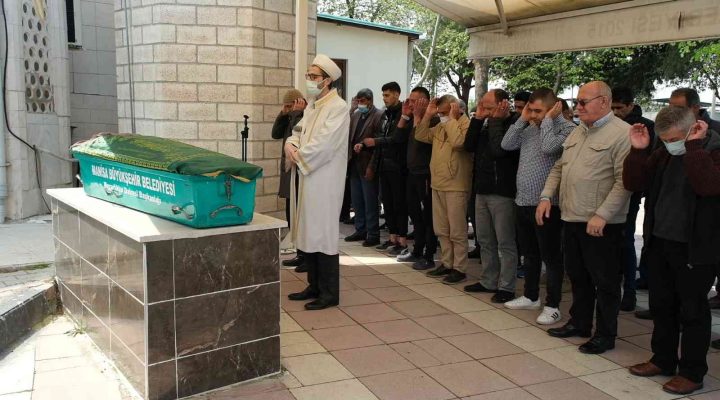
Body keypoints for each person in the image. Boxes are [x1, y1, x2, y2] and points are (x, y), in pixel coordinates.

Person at [624, 106, 720, 395]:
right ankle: (662, 359)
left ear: (694, 129)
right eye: (665, 140)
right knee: (662, 305)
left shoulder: (713, 150)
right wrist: (638, 151)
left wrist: (693, 148)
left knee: (693, 311)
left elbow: (707, 187)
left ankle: (692, 372)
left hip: (696, 247)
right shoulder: (664, 153)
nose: (670, 144)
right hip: (661, 241)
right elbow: (634, 184)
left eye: (675, 139)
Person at [540, 81, 631, 355]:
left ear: (604, 102)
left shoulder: (622, 134)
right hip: (572, 217)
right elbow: (559, 167)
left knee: (605, 282)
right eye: (577, 102)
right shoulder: (579, 130)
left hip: (601, 224)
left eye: (583, 102)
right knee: (578, 276)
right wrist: (546, 196)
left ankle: (605, 334)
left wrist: (603, 214)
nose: (577, 107)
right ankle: (579, 323)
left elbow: (624, 182)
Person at [501, 88, 575, 324]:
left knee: (551, 257)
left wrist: (549, 121)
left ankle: (553, 305)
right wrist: (522, 119)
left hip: (548, 204)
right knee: (530, 253)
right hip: (523, 200)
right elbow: (506, 144)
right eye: (530, 110)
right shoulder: (530, 127)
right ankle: (530, 295)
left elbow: (549, 148)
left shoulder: (568, 130)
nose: (533, 115)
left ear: (554, 108)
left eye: (537, 111)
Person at [285, 54, 350, 311]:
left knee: (323, 233)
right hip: (308, 176)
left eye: (313, 76)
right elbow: (298, 132)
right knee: (309, 231)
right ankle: (314, 285)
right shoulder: (313, 105)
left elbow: (325, 144)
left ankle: (329, 293)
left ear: (327, 80)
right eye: (308, 75)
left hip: (324, 180)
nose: (309, 80)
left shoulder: (338, 107)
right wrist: (290, 144)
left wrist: (298, 155)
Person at [462, 89, 520, 303]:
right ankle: (488, 280)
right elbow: (468, 146)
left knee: (505, 242)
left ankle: (507, 286)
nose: (484, 110)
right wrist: (477, 120)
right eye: (482, 106)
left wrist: (495, 121)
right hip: (482, 188)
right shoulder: (486, 123)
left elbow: (499, 150)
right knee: (485, 239)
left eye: (488, 107)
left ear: (503, 105)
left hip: (503, 191)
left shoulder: (514, 123)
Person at [415, 95, 472, 284]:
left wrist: (451, 119)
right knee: (441, 229)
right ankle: (447, 263)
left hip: (456, 184)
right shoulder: (441, 125)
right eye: (440, 113)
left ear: (457, 108)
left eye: (444, 112)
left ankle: (459, 268)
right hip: (437, 182)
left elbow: (458, 143)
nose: (442, 116)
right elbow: (420, 135)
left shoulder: (465, 124)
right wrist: (427, 115)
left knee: (457, 230)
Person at [380, 86, 438, 270]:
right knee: (414, 214)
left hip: (425, 174)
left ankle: (429, 255)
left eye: (414, 101)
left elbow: (421, 140)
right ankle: (417, 250)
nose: (410, 104)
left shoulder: (433, 120)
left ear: (425, 101)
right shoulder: (411, 118)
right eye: (410, 100)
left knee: (427, 217)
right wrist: (405, 117)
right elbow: (397, 139)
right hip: (411, 173)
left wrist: (420, 118)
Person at [611, 86, 656, 312]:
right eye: (612, 107)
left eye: (619, 107)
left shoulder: (645, 126)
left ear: (630, 105)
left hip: (631, 192)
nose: (616, 112)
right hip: (608, 188)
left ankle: (629, 292)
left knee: (626, 241)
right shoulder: (608, 124)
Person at [364, 82, 409, 255]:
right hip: (384, 164)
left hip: (398, 166)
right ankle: (392, 238)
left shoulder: (404, 114)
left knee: (399, 204)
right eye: (383, 95)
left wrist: (376, 142)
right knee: (388, 204)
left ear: (397, 94)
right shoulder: (386, 114)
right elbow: (381, 137)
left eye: (387, 95)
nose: (384, 98)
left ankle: (402, 241)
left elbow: (397, 138)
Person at [273, 89, 307, 271]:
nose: (286, 109)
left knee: (300, 216)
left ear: (297, 103)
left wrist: (295, 114)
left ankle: (305, 256)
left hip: (299, 173)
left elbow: (298, 136)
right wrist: (283, 114)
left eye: (289, 105)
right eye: (284, 106)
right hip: (288, 172)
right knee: (290, 213)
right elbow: (275, 134)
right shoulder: (289, 116)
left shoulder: (305, 117)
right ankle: (298, 252)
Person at [346, 89, 384, 247]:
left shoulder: (378, 115)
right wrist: (351, 109)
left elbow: (378, 141)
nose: (359, 104)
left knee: (370, 201)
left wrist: (371, 165)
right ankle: (360, 229)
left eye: (362, 101)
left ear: (370, 100)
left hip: (368, 163)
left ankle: (373, 233)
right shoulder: (355, 115)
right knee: (357, 200)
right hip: (354, 163)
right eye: (358, 100)